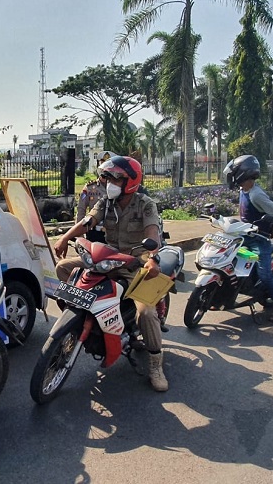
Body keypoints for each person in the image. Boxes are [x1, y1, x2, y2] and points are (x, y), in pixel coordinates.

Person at [54, 156, 169, 392]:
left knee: (146, 314)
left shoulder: (145, 204)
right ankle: (85, 316)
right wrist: (65, 237)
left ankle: (156, 364)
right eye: (108, 177)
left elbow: (152, 233)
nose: (109, 182)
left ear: (131, 181)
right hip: (107, 259)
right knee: (63, 268)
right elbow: (88, 222)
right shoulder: (107, 202)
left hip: (136, 265)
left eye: (116, 178)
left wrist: (153, 259)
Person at [223, 155, 273, 323]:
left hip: (259, 240)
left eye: (234, 173)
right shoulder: (243, 190)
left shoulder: (256, 195)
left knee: (265, 275)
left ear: (242, 173)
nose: (230, 177)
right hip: (244, 236)